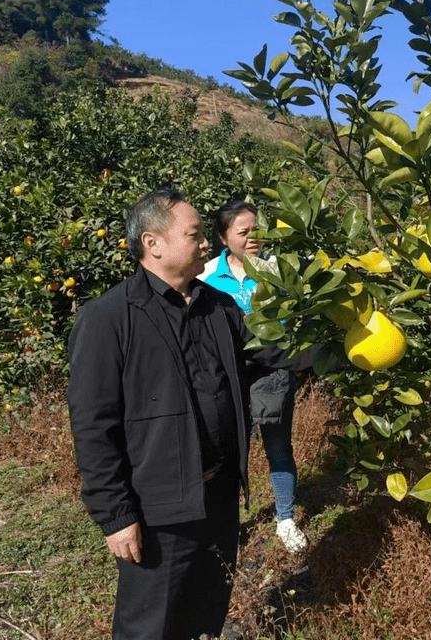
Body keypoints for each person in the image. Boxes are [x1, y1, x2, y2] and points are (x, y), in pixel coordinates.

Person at [66, 187, 295, 640]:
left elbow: (269, 352)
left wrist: (340, 340)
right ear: (153, 244)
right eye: (194, 234)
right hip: (160, 508)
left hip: (220, 494)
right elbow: (93, 425)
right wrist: (115, 515)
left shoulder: (219, 307)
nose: (206, 243)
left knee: (205, 609)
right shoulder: (109, 317)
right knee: (150, 624)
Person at [200, 198, 308, 555]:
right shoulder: (206, 278)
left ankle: (285, 519)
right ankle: (227, 520)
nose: (252, 238)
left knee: (278, 446)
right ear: (222, 237)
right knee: (228, 450)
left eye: (256, 230)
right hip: (228, 377)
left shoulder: (276, 269)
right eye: (243, 232)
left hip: (272, 372)